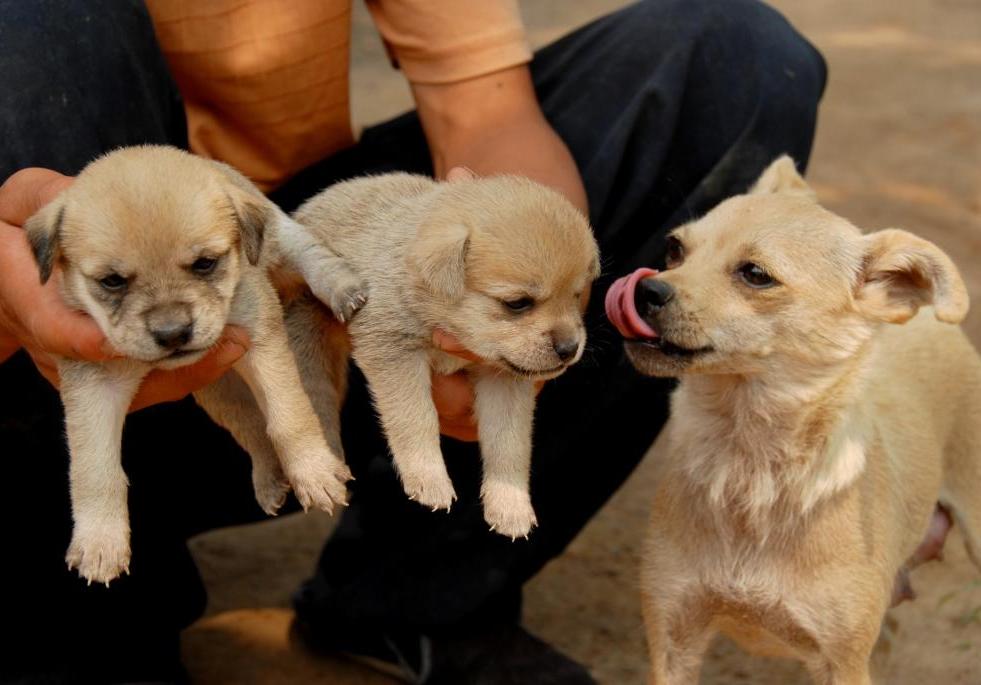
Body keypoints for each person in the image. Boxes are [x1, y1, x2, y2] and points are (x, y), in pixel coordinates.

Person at [0, 0, 826, 682]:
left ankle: (416, 591)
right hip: (47, 351)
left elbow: (485, 111)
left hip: (290, 278)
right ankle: (83, 613)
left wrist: (508, 280)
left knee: (731, 57)